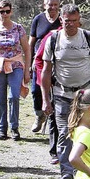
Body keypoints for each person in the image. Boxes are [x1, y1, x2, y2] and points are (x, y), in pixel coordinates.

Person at [41, 4, 90, 179]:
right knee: (64, 133)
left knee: (85, 134)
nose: (70, 24)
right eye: (66, 21)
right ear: (60, 20)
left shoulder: (88, 38)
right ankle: (67, 173)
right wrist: (46, 99)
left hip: (86, 95)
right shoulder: (53, 40)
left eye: (73, 21)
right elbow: (45, 72)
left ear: (79, 21)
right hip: (62, 94)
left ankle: (85, 169)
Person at [0, 0, 31, 141]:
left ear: (11, 12)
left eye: (7, 11)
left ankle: (14, 127)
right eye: (2, 11)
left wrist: (27, 70)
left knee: (13, 96)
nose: (5, 14)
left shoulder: (18, 28)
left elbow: (27, 49)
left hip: (15, 64)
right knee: (0, 98)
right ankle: (2, 129)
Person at [29, 0, 61, 133]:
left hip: (58, 62)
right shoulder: (38, 19)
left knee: (55, 91)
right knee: (36, 90)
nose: (52, 8)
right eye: (50, 5)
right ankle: (39, 116)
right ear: (44, 5)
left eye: (55, 5)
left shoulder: (63, 20)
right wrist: (29, 62)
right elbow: (31, 43)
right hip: (39, 61)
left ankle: (55, 119)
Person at [34, 28, 60, 164]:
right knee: (54, 117)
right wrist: (45, 82)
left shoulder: (85, 37)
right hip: (56, 86)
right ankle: (55, 152)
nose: (72, 25)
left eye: (76, 21)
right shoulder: (52, 37)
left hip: (80, 85)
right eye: (67, 21)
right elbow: (39, 60)